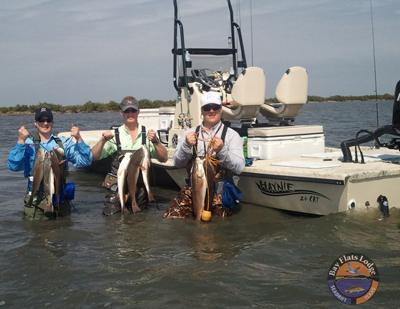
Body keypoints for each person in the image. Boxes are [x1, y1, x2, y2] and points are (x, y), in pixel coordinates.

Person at [164, 91, 245, 218]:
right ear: (201, 111)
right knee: (171, 217)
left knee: (219, 228)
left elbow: (239, 168)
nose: (211, 111)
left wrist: (222, 151)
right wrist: (186, 145)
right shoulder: (189, 133)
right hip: (194, 189)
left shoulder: (232, 135)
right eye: (207, 108)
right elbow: (177, 163)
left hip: (220, 193)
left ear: (221, 109)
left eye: (215, 107)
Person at [8, 107, 93, 220]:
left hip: (60, 197)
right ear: (35, 123)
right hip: (36, 201)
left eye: (48, 120)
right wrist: (20, 141)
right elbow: (13, 166)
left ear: (53, 122)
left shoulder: (64, 142)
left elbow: (85, 161)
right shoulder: (27, 143)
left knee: (63, 233)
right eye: (41, 120)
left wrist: (79, 139)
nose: (45, 123)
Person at [91, 96, 168, 215]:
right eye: (127, 111)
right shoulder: (114, 135)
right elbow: (94, 157)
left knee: (139, 224)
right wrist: (102, 141)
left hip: (139, 189)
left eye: (133, 110)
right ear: (121, 113)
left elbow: (164, 158)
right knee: (112, 221)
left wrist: (156, 142)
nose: (130, 114)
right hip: (116, 188)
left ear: (138, 112)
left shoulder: (148, 133)